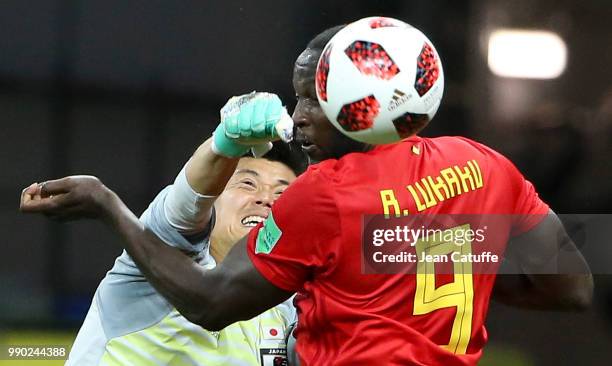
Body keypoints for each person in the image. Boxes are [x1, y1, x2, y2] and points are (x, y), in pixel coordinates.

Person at [21, 26, 593, 365]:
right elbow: (575, 286)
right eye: (245, 181)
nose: (297, 119)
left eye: (310, 101)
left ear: (355, 106)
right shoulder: (483, 163)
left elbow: (212, 302)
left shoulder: (327, 202)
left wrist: (105, 204)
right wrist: (447, 258)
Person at [45, 92, 306, 365]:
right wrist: (226, 142)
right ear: (213, 200)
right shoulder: (158, 253)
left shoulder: (288, 309)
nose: (265, 198)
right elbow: (187, 202)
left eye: (282, 194)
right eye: (247, 184)